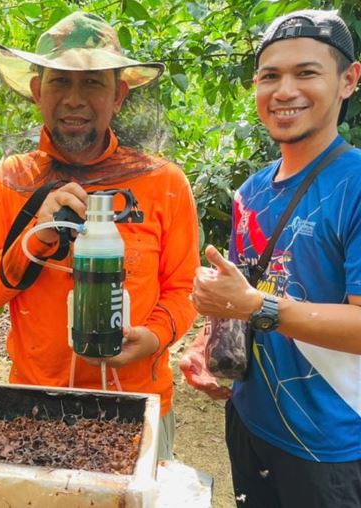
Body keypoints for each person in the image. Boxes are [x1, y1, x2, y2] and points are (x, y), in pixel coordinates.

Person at [0, 11, 199, 459]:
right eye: (59, 82)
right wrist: (37, 237)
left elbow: (183, 288)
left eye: (92, 83)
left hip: (138, 402)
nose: (74, 99)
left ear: (119, 96)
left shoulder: (164, 182)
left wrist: (153, 336)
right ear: (37, 92)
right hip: (35, 406)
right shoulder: (11, 179)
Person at [180, 9, 361, 507]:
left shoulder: (356, 184)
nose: (284, 91)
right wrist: (208, 343)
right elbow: (243, 294)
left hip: (329, 442)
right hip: (249, 419)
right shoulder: (251, 192)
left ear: (349, 80)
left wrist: (255, 307)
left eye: (306, 73)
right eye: (270, 76)